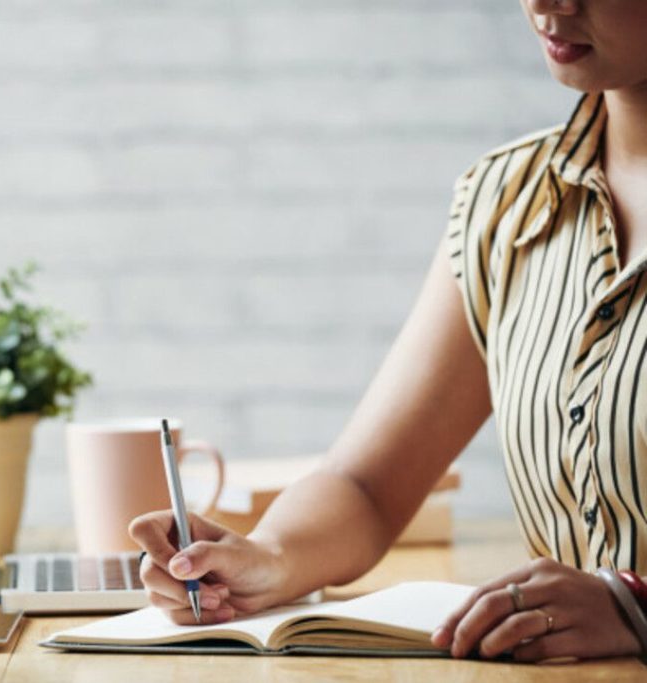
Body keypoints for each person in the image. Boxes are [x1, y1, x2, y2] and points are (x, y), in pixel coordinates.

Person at [129, 0, 647, 663]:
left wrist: (632, 602)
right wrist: (267, 558)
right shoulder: (508, 203)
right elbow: (367, 487)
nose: (548, 3)